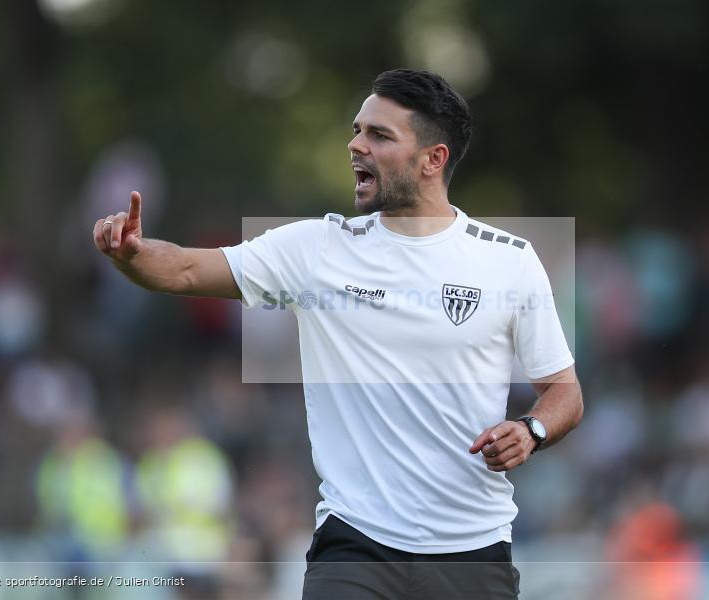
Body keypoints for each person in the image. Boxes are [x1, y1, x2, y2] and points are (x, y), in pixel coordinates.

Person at [93, 69, 584, 599]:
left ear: (432, 160)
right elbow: (186, 270)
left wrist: (530, 431)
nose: (356, 145)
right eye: (357, 130)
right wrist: (134, 256)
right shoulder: (317, 250)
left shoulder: (507, 261)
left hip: (472, 552)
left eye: (379, 135)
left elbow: (565, 393)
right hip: (355, 548)